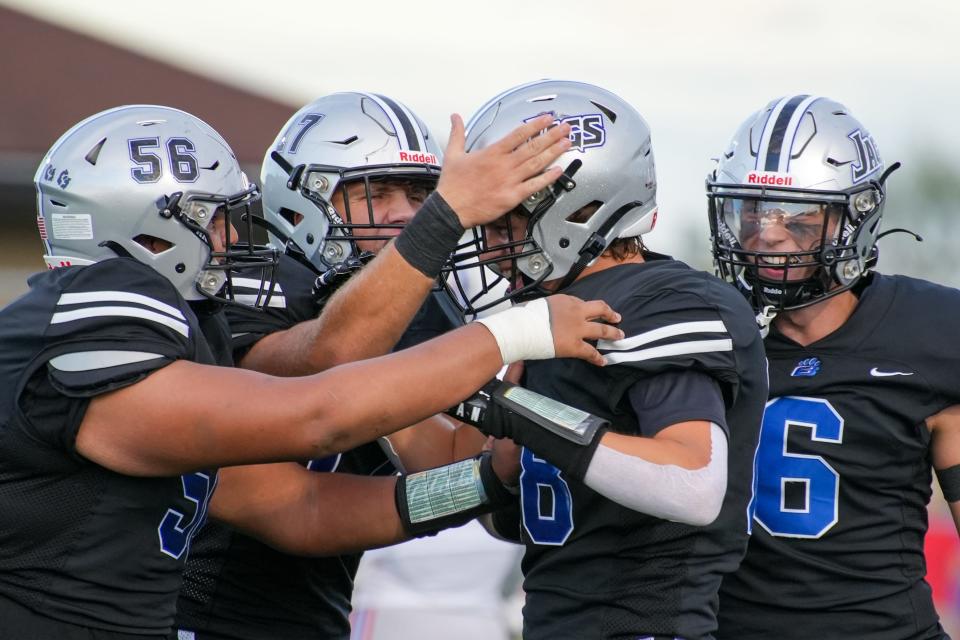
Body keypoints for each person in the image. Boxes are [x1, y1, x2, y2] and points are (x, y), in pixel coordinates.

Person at [0, 104, 623, 640]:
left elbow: (301, 508)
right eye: (213, 219)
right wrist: (513, 332)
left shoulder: (169, 329)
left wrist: (484, 479)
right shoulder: (87, 319)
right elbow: (315, 412)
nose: (234, 239)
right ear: (151, 235)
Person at [443, 79, 769, 640]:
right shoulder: (551, 312)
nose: (493, 244)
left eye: (508, 219)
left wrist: (511, 410)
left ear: (582, 205)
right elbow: (518, 520)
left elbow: (692, 484)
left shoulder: (660, 300)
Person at [174, 92, 499, 640]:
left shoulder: (407, 313)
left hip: (312, 619)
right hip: (200, 617)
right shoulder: (250, 284)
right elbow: (328, 360)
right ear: (303, 204)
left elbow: (447, 461)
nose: (407, 213)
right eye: (377, 193)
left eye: (422, 195)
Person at [707, 94, 960, 639]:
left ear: (855, 217)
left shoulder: (934, 331)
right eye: (750, 210)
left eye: (795, 215)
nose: (767, 233)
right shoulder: (705, 333)